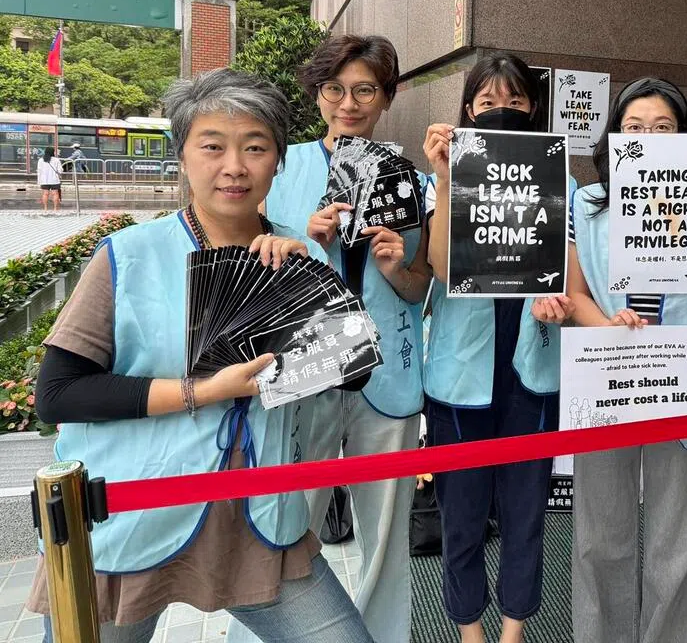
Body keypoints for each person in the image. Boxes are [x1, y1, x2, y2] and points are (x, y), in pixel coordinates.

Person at [26, 68, 374, 642]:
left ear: (278, 162)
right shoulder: (128, 256)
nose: (234, 166)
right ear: (182, 155)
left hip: (260, 518)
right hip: (135, 520)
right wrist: (203, 391)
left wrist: (308, 286)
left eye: (255, 147)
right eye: (212, 146)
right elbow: (58, 394)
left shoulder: (300, 251)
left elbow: (351, 378)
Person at [229, 34, 429, 643]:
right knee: (284, 523)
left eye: (365, 89)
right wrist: (312, 244)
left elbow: (423, 289)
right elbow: (243, 277)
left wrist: (396, 263)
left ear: (387, 97)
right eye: (335, 89)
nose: (349, 103)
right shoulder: (280, 169)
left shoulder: (411, 181)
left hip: (390, 376)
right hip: (303, 372)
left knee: (388, 540)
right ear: (317, 94)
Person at [566, 78, 687, 643]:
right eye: (634, 128)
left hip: (679, 375)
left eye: (663, 128)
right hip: (608, 373)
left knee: (675, 541)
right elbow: (575, 297)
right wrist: (611, 327)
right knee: (600, 536)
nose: (648, 138)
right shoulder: (586, 205)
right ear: (614, 137)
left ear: (685, 137)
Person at [421, 53, 574, 643]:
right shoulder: (450, 173)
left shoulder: (561, 179)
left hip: (531, 366)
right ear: (467, 111)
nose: (501, 112)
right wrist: (442, 175)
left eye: (513, 102)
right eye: (487, 103)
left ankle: (513, 627)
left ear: (533, 109)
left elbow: (569, 274)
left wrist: (560, 300)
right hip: (461, 372)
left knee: (524, 515)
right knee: (460, 516)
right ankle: (468, 629)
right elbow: (437, 266)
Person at [37, 146, 63, 211]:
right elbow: (60, 170)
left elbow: (39, 171)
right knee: (55, 194)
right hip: (54, 180)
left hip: (44, 180)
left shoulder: (41, 160)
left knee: (45, 194)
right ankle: (55, 209)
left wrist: (39, 181)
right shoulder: (56, 160)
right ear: (52, 152)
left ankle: (45, 209)